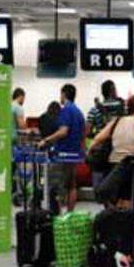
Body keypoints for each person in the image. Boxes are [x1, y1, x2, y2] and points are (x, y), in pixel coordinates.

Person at [39, 84, 85, 212]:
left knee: (56, 186)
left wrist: (46, 140)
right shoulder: (79, 112)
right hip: (75, 154)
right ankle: (69, 215)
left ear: (64, 94)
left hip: (63, 154)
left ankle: (57, 217)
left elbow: (63, 131)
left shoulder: (66, 110)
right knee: (72, 185)